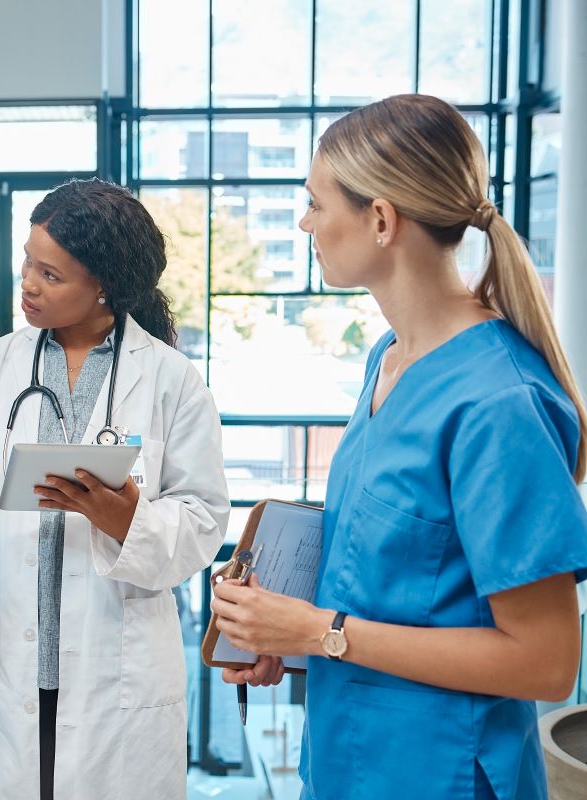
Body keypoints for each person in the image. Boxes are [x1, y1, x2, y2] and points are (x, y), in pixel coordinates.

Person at [211, 94, 587, 800]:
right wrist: (282, 633)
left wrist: (322, 630)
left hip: (439, 775)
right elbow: (393, 585)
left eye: (317, 203)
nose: (305, 222)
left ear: (381, 220)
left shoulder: (497, 402)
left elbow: (545, 661)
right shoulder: (388, 359)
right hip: (348, 762)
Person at [0, 178, 230, 799]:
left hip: (117, 671)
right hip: (12, 660)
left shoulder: (171, 381)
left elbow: (204, 521)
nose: (28, 282)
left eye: (51, 275)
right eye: (28, 262)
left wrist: (126, 520)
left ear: (104, 285)